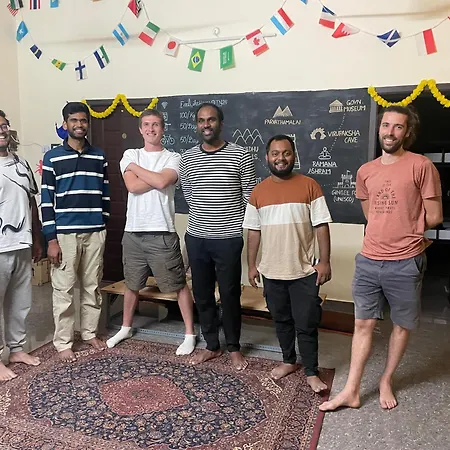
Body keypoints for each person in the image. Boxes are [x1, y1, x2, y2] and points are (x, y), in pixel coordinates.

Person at [320, 105, 443, 412]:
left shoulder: (421, 166)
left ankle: (386, 379)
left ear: (407, 132)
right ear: (379, 129)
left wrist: (406, 228)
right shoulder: (366, 171)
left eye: (398, 127)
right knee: (362, 323)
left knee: (401, 325)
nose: (390, 132)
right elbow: (370, 214)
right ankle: (352, 390)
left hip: (406, 260)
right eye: (386, 125)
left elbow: (435, 216)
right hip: (369, 260)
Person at [243, 134, 332, 392]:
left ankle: (312, 371)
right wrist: (252, 266)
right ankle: (288, 361)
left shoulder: (310, 186)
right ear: (267, 157)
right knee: (281, 320)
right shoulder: (258, 192)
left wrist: (325, 261)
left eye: (286, 153)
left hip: (303, 271)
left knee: (306, 323)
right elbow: (253, 232)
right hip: (271, 271)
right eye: (275, 153)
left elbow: (321, 226)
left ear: (294, 156)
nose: (280, 158)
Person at [106, 109, 197, 355]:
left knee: (178, 284)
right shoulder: (130, 154)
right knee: (132, 284)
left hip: (162, 232)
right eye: (146, 124)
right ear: (140, 129)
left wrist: (138, 170)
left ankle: (189, 333)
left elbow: (163, 182)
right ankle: (126, 327)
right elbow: (132, 186)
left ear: (163, 129)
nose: (151, 129)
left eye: (155, 124)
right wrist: (156, 178)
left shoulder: (173, 157)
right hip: (133, 232)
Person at [180, 103, 256, 370]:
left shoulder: (241, 155)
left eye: (211, 120)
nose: (206, 125)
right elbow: (189, 195)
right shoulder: (187, 158)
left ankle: (234, 347)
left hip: (228, 238)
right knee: (202, 295)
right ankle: (212, 345)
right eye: (201, 120)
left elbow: (249, 197)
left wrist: (228, 223)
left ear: (220, 123)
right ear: (197, 125)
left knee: (230, 294)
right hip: (197, 237)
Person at [41, 102, 110, 362]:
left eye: (83, 120)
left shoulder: (99, 156)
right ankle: (63, 342)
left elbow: (105, 193)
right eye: (74, 120)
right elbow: (46, 201)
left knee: (93, 286)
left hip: (95, 231)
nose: (79, 125)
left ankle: (89, 332)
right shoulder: (52, 158)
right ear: (65, 124)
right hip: (65, 234)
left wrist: (103, 222)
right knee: (64, 289)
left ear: (87, 124)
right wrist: (51, 239)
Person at [0, 109, 43, 381]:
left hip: (22, 243)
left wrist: (37, 238)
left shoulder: (22, 163)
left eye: (4, 125)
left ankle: (16, 349)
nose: (2, 131)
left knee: (20, 301)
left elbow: (31, 202)